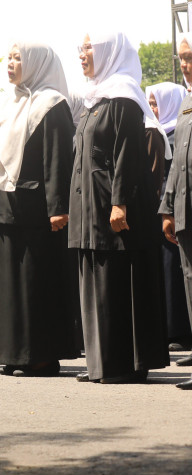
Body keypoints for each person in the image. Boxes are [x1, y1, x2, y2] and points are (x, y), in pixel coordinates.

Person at [71, 32, 170, 383]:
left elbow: (127, 157)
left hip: (113, 207)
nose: (82, 54)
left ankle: (122, 364)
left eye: (88, 48)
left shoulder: (124, 97)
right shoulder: (94, 100)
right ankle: (100, 362)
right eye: (80, 48)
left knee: (116, 283)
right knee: (96, 282)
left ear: (107, 52)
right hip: (90, 207)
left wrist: (119, 203)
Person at [0, 42, 79, 376]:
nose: (10, 63)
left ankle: (40, 355)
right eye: (9, 57)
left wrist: (58, 207)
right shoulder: (10, 104)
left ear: (36, 64)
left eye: (18, 58)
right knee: (9, 286)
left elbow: (57, 159)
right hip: (5, 207)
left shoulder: (52, 104)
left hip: (36, 210)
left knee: (34, 284)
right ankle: (14, 354)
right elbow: (0, 161)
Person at [146, 82, 191, 352]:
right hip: (164, 209)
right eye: (150, 102)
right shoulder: (156, 132)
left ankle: (181, 331)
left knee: (176, 271)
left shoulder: (179, 131)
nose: (153, 108)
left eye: (157, 102)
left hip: (178, 209)